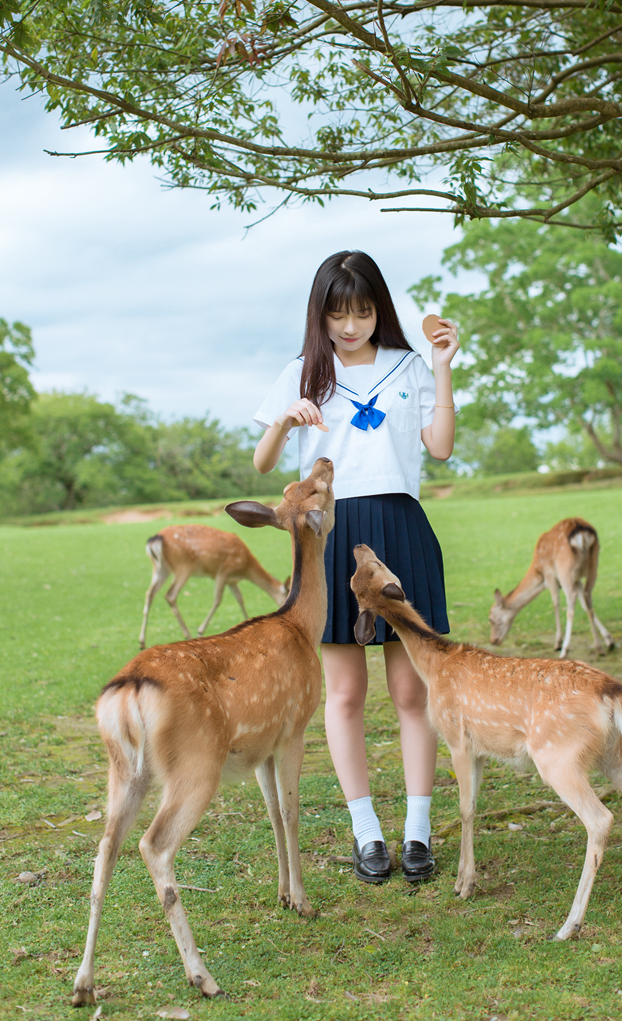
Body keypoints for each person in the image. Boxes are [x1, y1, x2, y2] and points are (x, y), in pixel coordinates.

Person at [253, 250, 459, 885]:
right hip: (334, 538)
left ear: (380, 310)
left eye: (362, 311)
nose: (350, 325)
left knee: (410, 691)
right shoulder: (302, 371)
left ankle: (418, 832)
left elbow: (441, 448)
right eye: (338, 313)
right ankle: (366, 833)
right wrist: (287, 419)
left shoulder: (408, 365)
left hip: (402, 527)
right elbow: (263, 466)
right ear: (321, 315)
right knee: (344, 694)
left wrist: (444, 370)